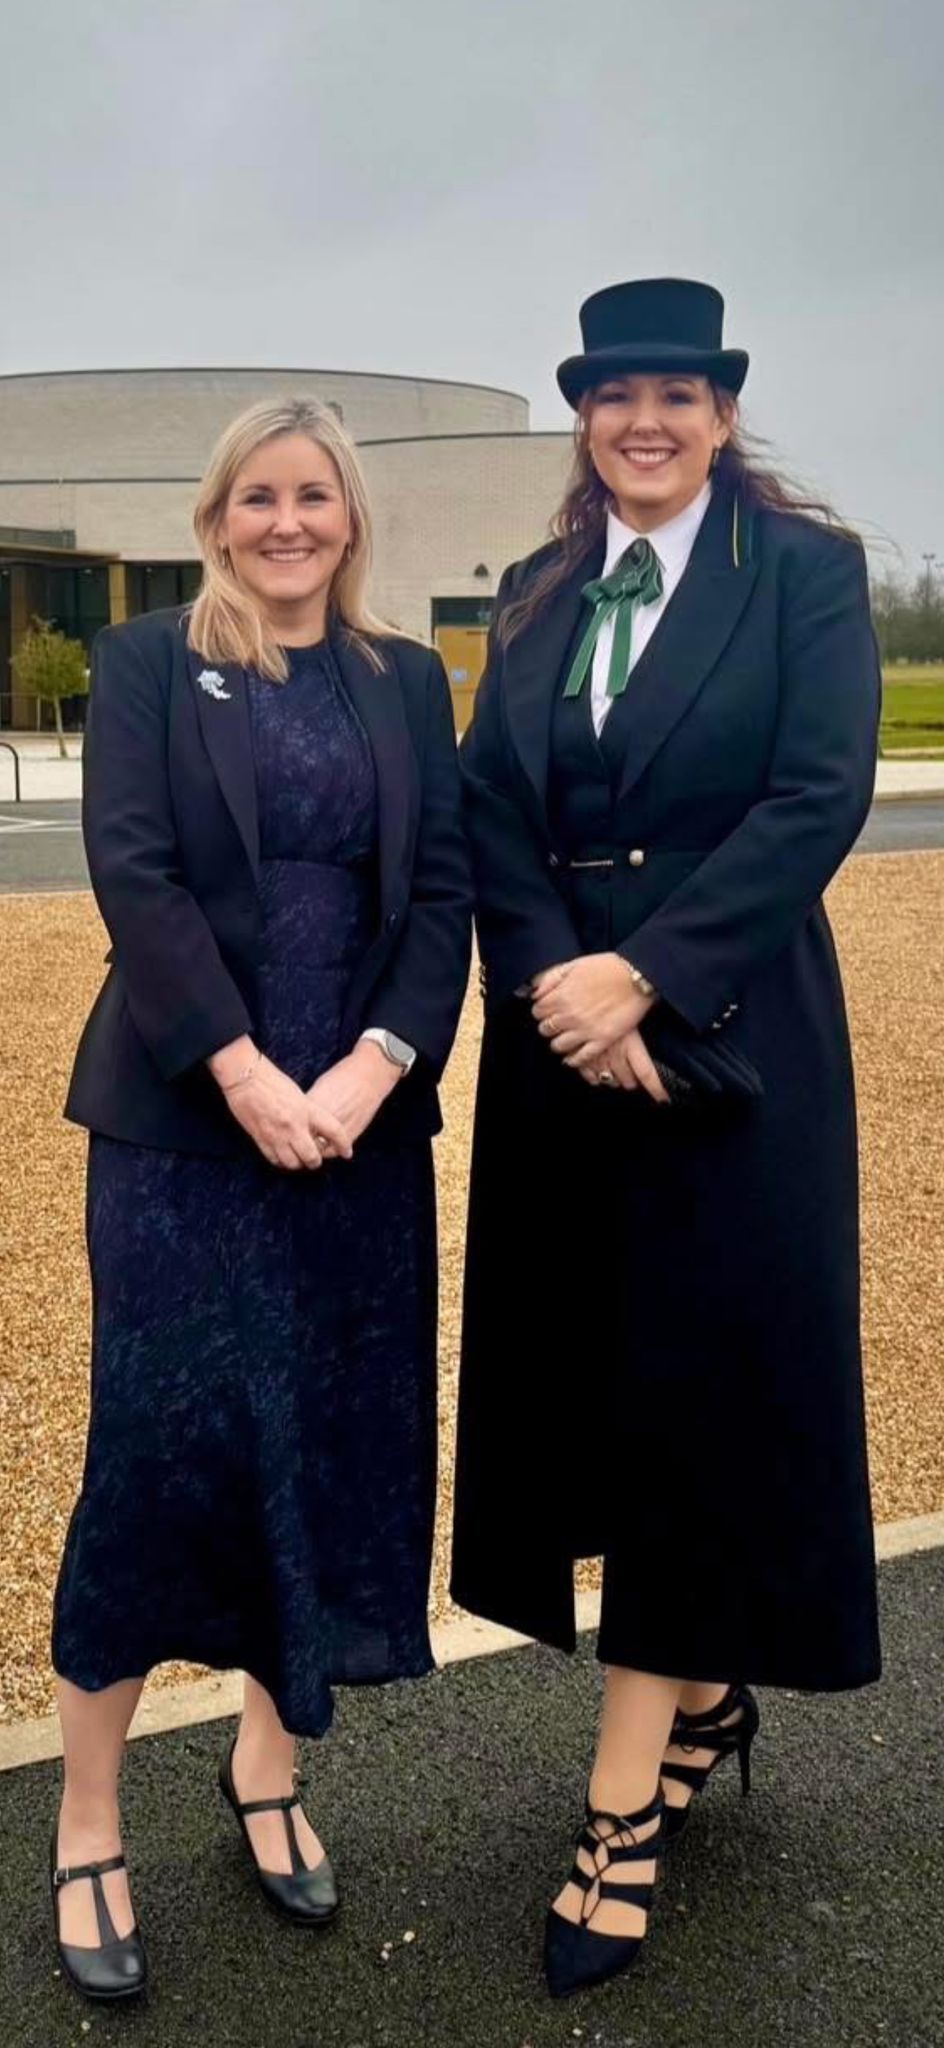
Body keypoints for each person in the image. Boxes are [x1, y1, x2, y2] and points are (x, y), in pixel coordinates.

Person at [450, 278, 882, 1999]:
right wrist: (560, 984)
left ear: (720, 413)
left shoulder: (806, 575)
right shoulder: (542, 590)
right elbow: (492, 807)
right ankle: (703, 1691)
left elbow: (817, 790)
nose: (645, 422)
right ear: (585, 416)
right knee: (599, 1391)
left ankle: (621, 1808)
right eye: (616, 396)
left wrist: (650, 976)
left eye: (675, 397)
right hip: (567, 1053)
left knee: (702, 1396)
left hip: (734, 1038)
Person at [51, 396, 472, 2002]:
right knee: (161, 1454)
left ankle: (268, 1768)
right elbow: (136, 872)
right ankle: (88, 1817)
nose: (287, 522)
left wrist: (372, 1070)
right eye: (257, 497)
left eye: (315, 497)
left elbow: (437, 895)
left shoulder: (405, 679)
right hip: (184, 1126)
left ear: (351, 517)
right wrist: (240, 1072)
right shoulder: (156, 662)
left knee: (333, 1438)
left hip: (359, 1134)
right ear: (219, 513)